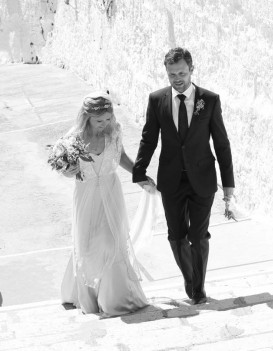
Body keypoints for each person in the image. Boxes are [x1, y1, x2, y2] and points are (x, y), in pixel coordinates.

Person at [133, 47, 235, 305]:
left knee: (198, 236)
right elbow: (149, 138)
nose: (177, 78)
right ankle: (190, 279)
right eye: (171, 74)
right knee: (176, 236)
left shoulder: (209, 100)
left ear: (191, 69)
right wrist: (139, 171)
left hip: (203, 179)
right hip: (171, 179)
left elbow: (222, 144)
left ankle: (198, 290)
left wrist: (228, 186)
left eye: (181, 72)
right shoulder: (157, 100)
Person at [60, 92, 150, 317]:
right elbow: (66, 169)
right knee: (88, 244)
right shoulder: (73, 139)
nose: (105, 124)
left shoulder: (114, 132)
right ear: (87, 117)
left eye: (108, 119)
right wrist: (68, 171)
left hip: (111, 194)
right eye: (99, 121)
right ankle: (86, 296)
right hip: (86, 198)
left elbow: (120, 157)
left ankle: (116, 300)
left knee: (110, 243)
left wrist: (139, 177)